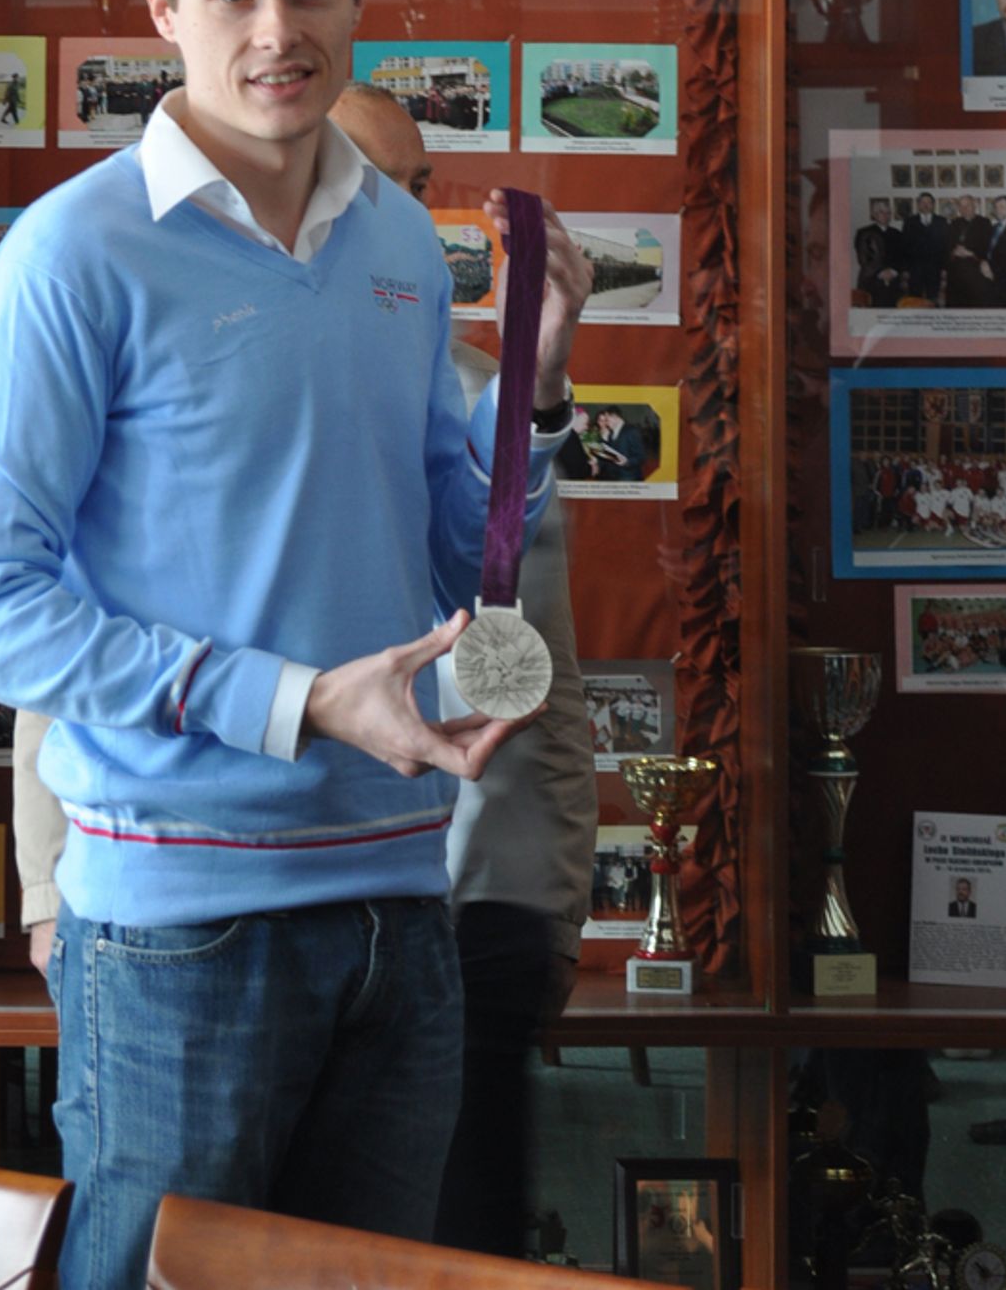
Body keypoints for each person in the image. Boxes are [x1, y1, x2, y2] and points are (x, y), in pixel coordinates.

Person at [0, 0, 592, 1290]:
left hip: (401, 902)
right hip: (181, 928)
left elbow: (452, 558)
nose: (276, 30)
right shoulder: (71, 254)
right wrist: (292, 701)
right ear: (162, 9)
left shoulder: (399, 244)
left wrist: (535, 396)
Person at [327, 80, 597, 1259]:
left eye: (418, 185)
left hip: (476, 899)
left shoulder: (499, 393)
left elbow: (548, 668)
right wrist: (45, 892)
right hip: (301, 889)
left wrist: (558, 903)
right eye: (369, 180)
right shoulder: (231, 361)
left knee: (463, 1240)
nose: (402, 210)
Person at [943, 194, 992, 308]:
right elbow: (947, 246)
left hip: (975, 271)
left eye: (968, 205)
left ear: (974, 206)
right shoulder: (954, 223)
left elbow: (987, 246)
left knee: (974, 306)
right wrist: (953, 251)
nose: (964, 209)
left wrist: (970, 253)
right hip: (955, 272)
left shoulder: (984, 223)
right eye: (961, 206)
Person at [853, 197, 903, 305]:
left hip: (894, 282)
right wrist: (881, 272)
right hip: (871, 281)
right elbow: (863, 258)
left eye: (888, 213)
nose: (885, 215)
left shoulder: (897, 233)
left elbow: (902, 256)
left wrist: (893, 271)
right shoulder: (864, 232)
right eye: (881, 212)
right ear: (874, 215)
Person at [899, 192, 946, 305]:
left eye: (929, 202)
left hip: (935, 269)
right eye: (923, 202)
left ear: (933, 205)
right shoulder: (909, 222)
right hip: (915, 269)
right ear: (918, 204)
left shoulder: (941, 221)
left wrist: (944, 268)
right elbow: (904, 247)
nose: (926, 205)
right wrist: (905, 269)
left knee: (933, 301)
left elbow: (945, 246)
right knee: (915, 301)